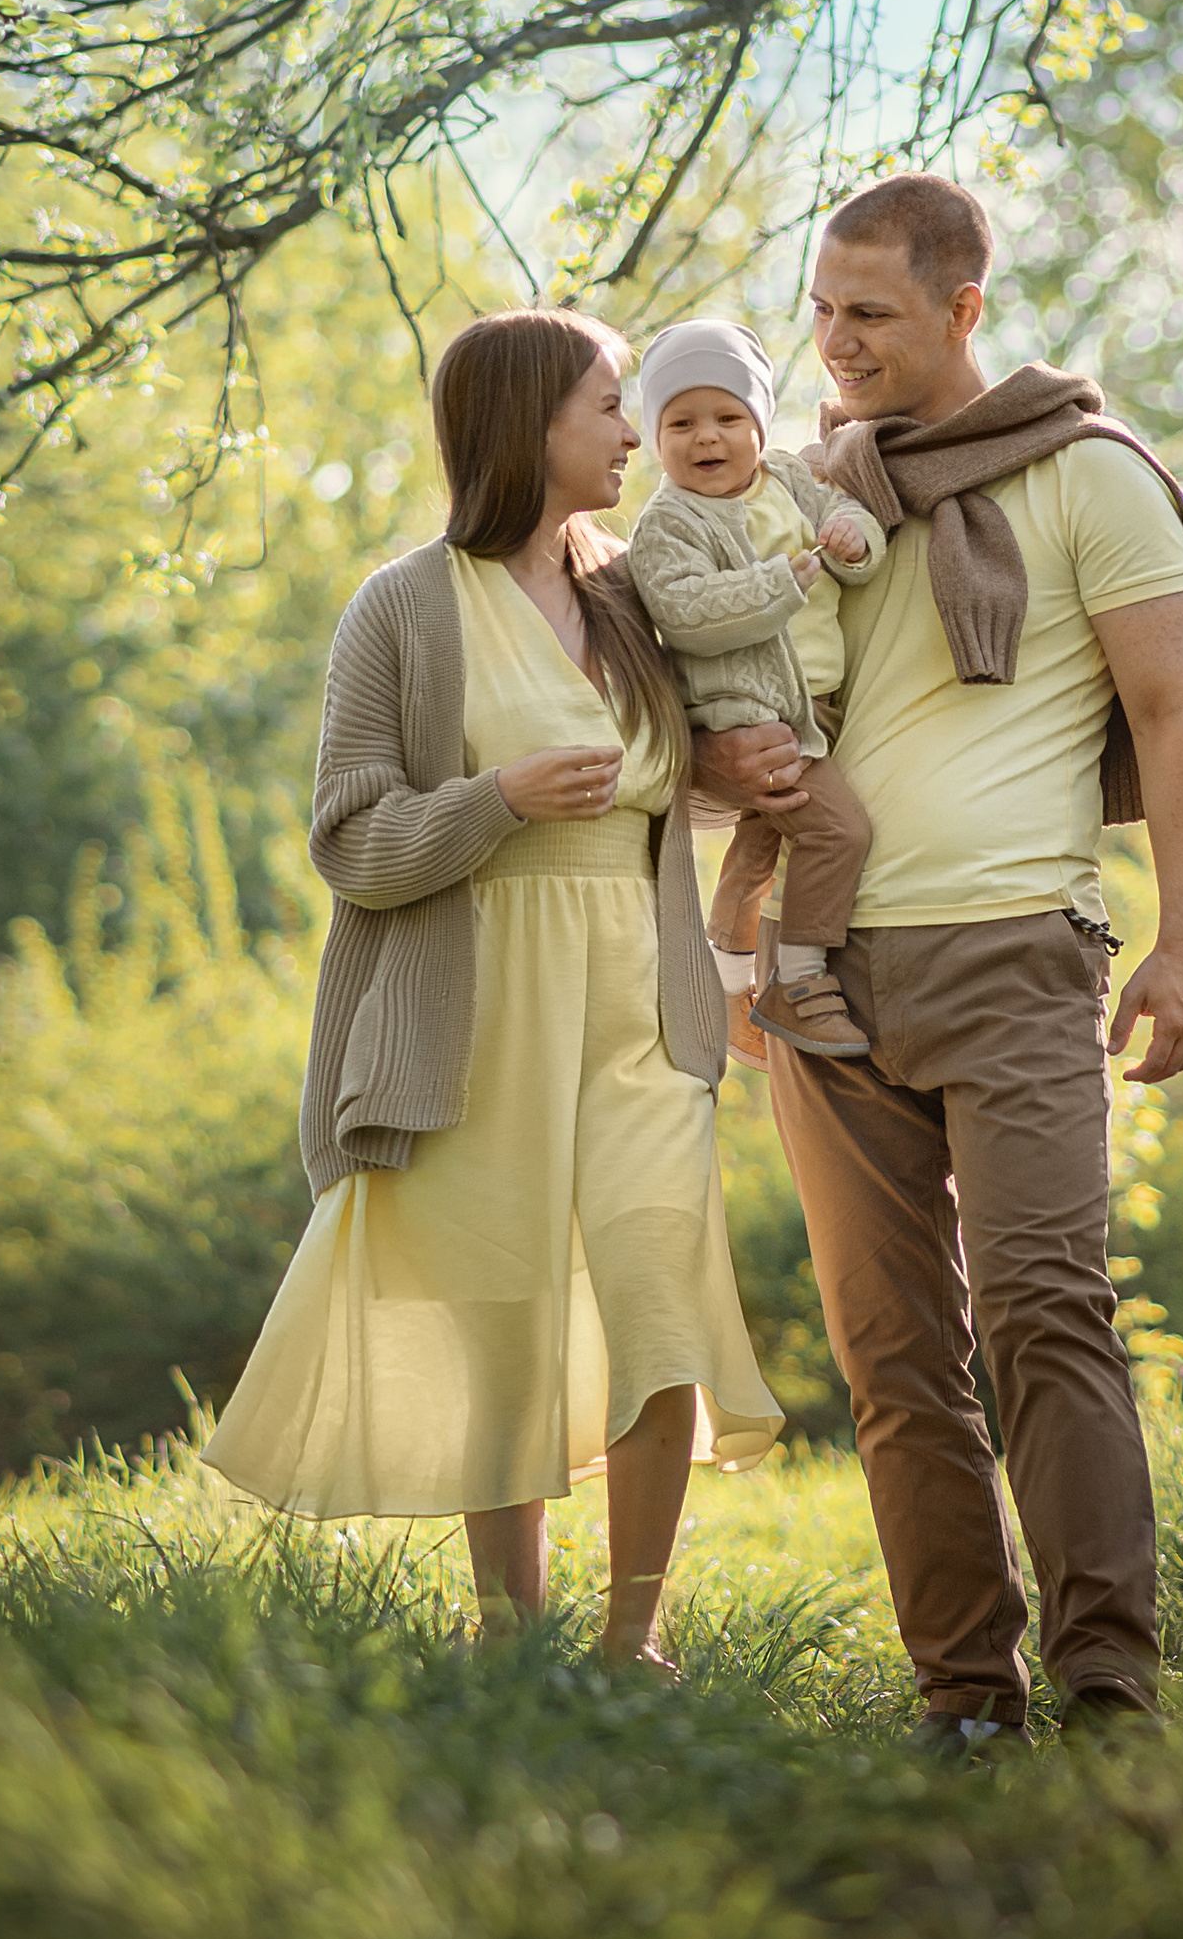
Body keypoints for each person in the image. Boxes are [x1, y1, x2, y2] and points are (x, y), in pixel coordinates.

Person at [694, 175, 1183, 1751]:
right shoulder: (800, 498)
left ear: (962, 309)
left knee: (1046, 1312)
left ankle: (1110, 1681)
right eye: (819, 306)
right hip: (823, 972)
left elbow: (1174, 710)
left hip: (1017, 953)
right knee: (890, 1351)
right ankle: (964, 1696)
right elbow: (729, 680)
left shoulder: (1092, 475)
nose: (833, 340)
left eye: (869, 311)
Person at [202, 308, 780, 1663]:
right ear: (527, 426)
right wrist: (494, 800)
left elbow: (688, 769)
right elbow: (349, 840)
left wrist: (744, 782)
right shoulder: (402, 607)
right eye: (607, 406)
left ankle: (634, 1638)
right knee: (503, 1324)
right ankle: (509, 1633)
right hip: (474, 1021)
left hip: (642, 1002)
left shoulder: (641, 593)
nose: (634, 433)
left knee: (658, 1295)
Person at [622, 316, 888, 1067]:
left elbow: (845, 513)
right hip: (749, 710)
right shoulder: (669, 522)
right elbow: (687, 613)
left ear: (759, 422)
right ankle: (797, 983)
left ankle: (729, 979)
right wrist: (787, 578)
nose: (707, 438)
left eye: (728, 418)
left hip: (813, 703)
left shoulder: (791, 479)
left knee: (766, 836)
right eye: (681, 422)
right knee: (840, 833)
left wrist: (854, 540)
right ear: (657, 434)